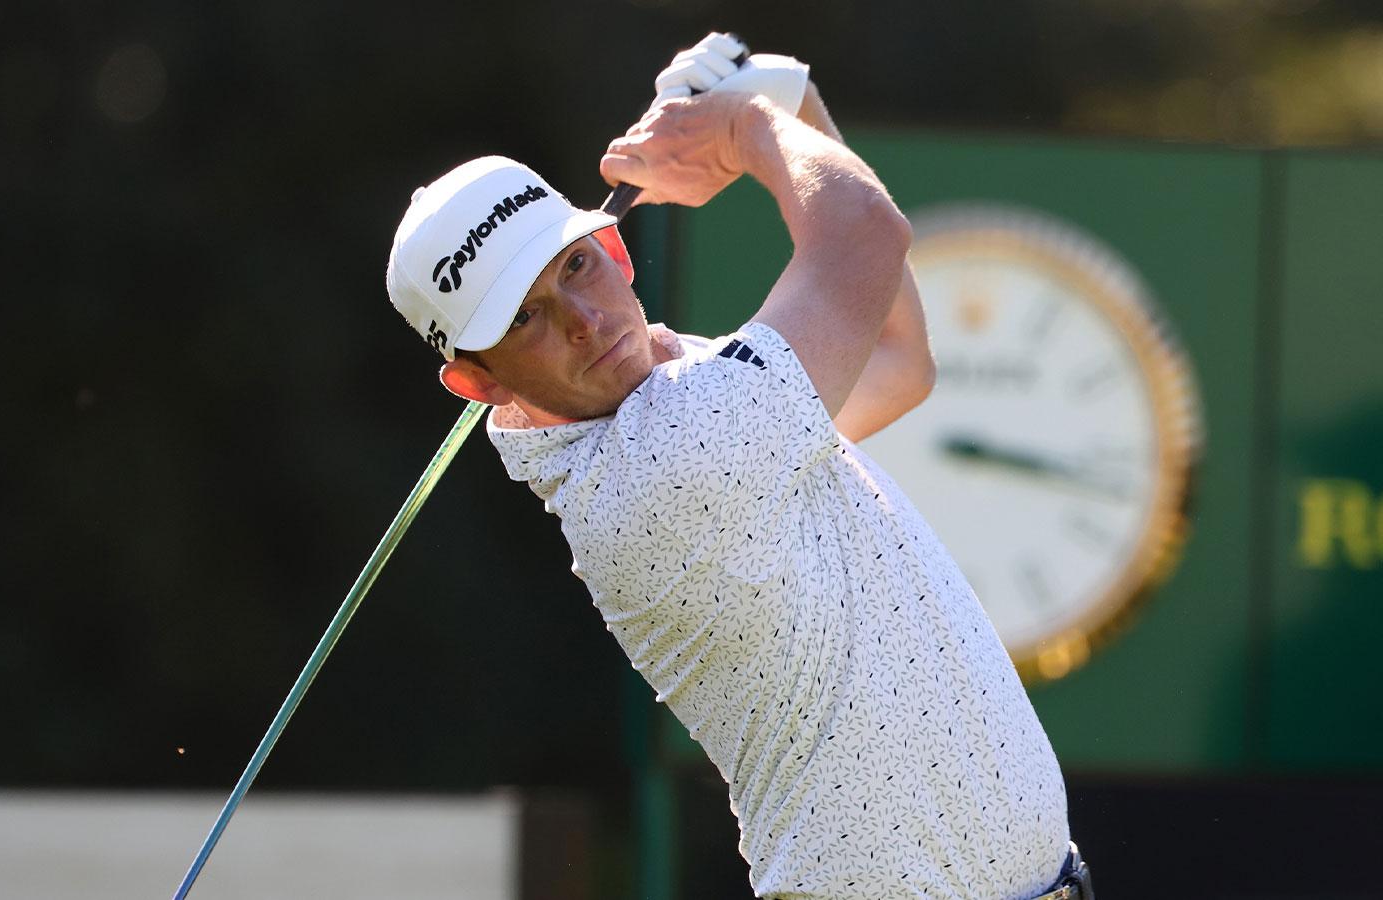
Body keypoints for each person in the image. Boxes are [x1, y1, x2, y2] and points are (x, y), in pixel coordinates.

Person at [386, 36, 1089, 900]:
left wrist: (793, 110)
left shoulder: (698, 401)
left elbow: (900, 361)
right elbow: (864, 235)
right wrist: (751, 123)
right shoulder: (664, 464)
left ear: (617, 250)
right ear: (478, 382)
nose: (579, 318)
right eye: (526, 318)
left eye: (574, 266)